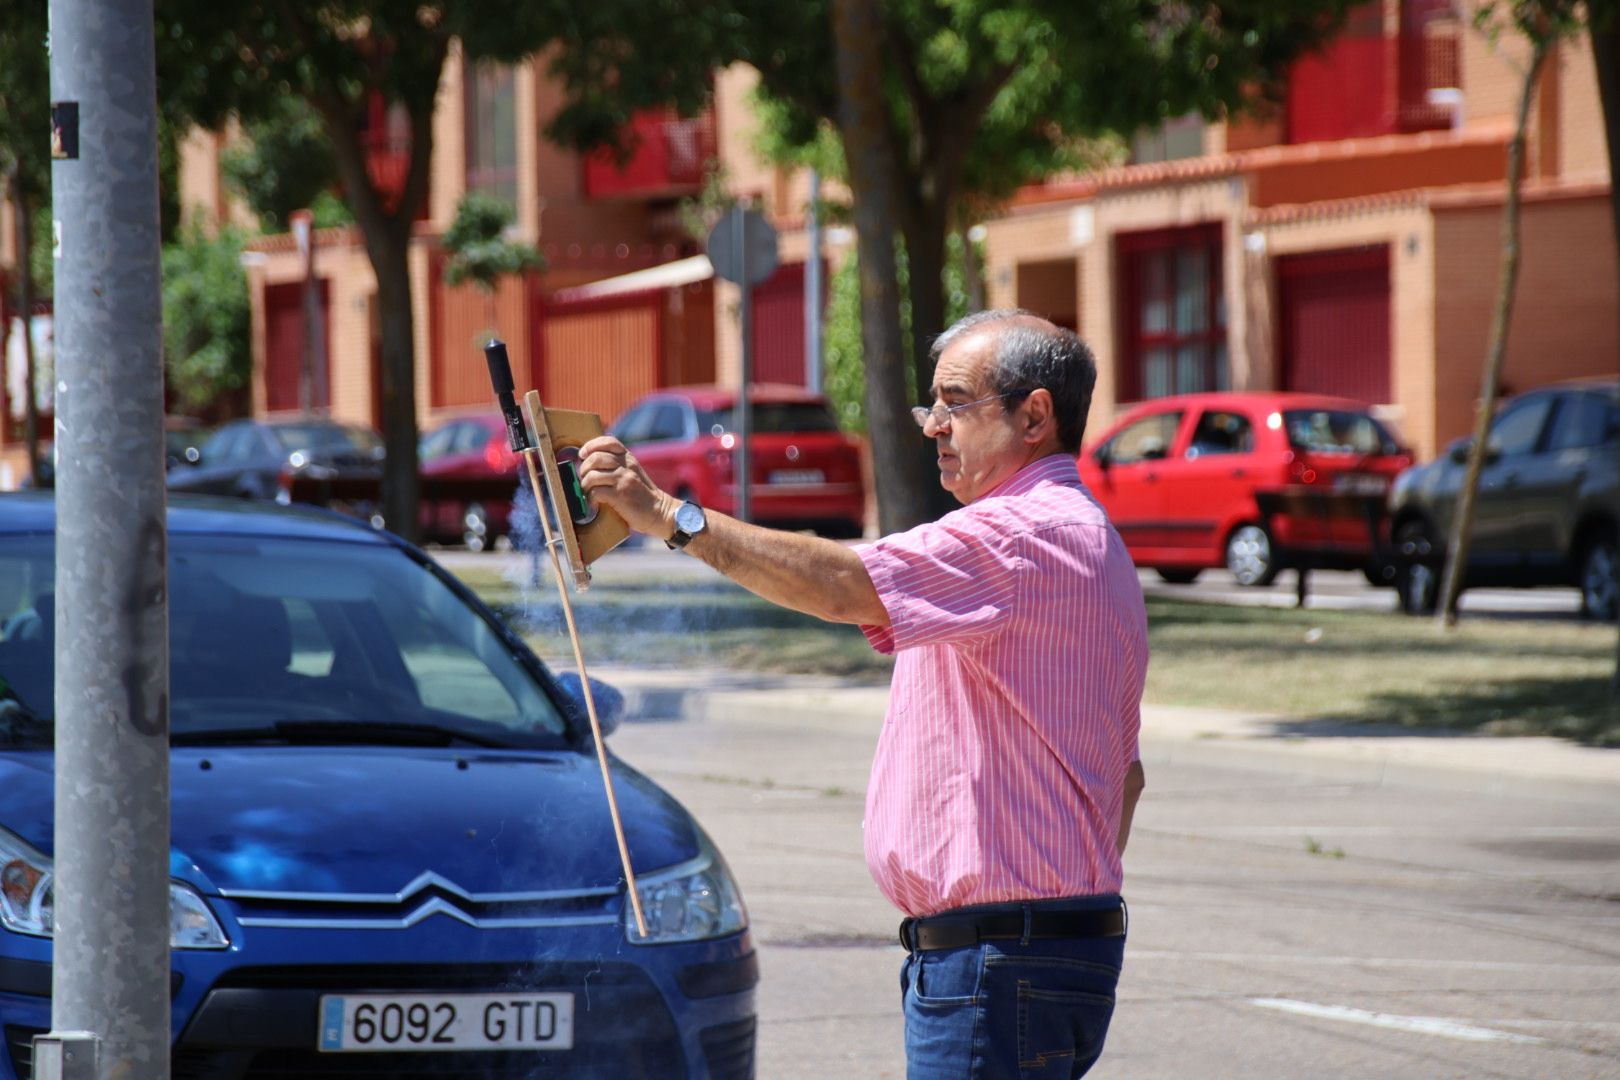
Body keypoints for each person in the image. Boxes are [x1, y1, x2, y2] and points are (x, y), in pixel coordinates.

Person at [577, 309, 1148, 1079]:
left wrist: (672, 519)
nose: (935, 426)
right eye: (931, 407)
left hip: (1000, 959)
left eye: (955, 403)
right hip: (1031, 952)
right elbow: (1128, 779)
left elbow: (844, 582)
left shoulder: (1017, 536)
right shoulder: (1081, 534)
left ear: (1034, 414)